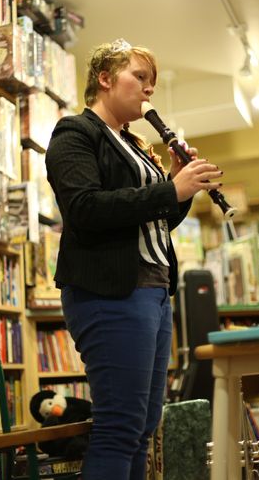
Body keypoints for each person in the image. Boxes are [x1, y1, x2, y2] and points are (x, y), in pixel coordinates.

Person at [45, 38, 223, 480]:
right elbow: (85, 208)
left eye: (153, 83)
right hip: (111, 293)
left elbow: (156, 219)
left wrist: (182, 187)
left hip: (153, 293)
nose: (148, 90)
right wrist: (170, 189)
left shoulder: (136, 144)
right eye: (139, 77)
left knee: (143, 428)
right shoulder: (75, 133)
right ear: (105, 78)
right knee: (120, 427)